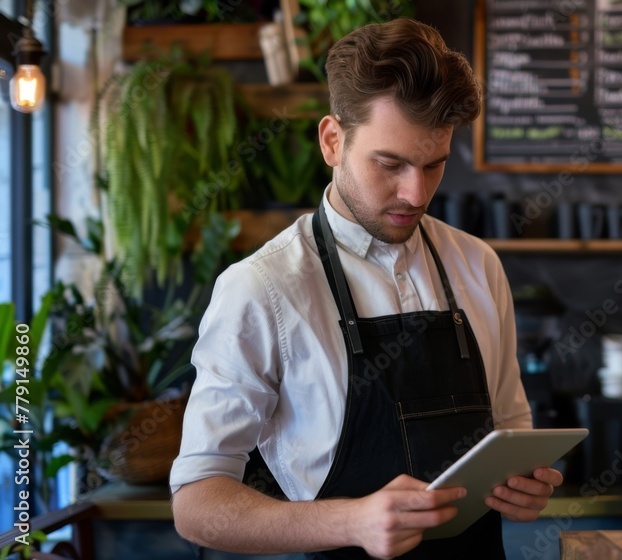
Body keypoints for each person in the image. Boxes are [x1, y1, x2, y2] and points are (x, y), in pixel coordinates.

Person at [169, 17, 563, 559]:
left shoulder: (478, 265)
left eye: (434, 165)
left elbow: (511, 432)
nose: (415, 192)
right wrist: (350, 521)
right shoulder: (261, 288)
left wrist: (524, 486)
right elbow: (196, 504)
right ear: (333, 140)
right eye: (390, 164)